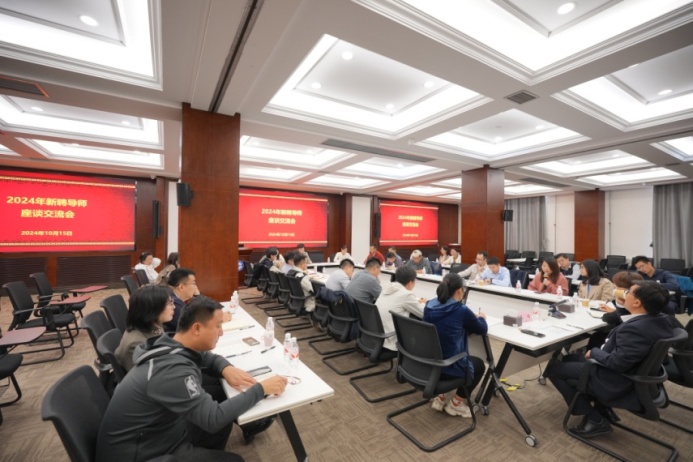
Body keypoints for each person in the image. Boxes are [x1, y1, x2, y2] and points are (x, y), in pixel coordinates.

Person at [96, 296, 288, 462]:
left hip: (158, 432)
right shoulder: (171, 370)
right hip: (141, 453)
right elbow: (213, 418)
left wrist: (225, 368)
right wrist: (261, 389)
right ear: (196, 328)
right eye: (218, 326)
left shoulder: (172, 343)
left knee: (221, 425)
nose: (221, 332)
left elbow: (207, 358)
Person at [545, 281, 676, 438]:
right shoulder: (661, 318)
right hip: (631, 369)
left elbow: (617, 363)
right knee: (568, 358)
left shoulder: (635, 329)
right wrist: (622, 306)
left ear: (637, 303)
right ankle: (601, 407)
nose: (624, 293)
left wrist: (594, 352)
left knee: (552, 370)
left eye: (628, 292)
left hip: (614, 377)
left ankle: (594, 419)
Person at [423, 273, 488, 417]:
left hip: (430, 363)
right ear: (459, 291)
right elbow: (482, 329)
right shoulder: (461, 310)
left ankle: (440, 396)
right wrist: (482, 318)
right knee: (479, 365)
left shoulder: (429, 305)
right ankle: (456, 403)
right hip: (449, 367)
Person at [115, 285, 174, 371]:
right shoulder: (137, 344)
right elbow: (155, 372)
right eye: (169, 304)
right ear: (153, 309)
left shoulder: (153, 325)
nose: (174, 307)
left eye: (172, 302)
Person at [585, 271, 644, 350]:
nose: (614, 290)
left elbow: (608, 318)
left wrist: (619, 304)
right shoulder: (642, 306)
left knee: (596, 337)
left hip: (615, 345)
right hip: (619, 342)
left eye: (616, 287)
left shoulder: (632, 308)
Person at [376, 266, 425, 351]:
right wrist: (423, 303)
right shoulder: (406, 295)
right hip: (391, 340)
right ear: (410, 282)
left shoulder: (387, 288)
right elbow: (423, 313)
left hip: (377, 335)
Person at [164, 268, 199, 332]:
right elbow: (194, 328)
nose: (196, 287)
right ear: (181, 287)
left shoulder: (171, 296)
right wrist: (198, 296)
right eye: (194, 283)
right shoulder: (174, 304)